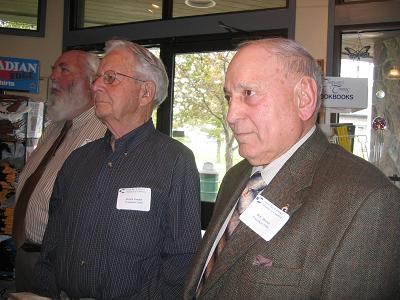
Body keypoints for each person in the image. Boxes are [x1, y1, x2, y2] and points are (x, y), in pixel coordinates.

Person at [184, 38, 400, 299]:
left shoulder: (368, 203)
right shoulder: (235, 177)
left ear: (304, 98)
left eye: (248, 94)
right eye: (229, 97)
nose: (231, 115)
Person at [29, 40, 201, 299]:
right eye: (97, 78)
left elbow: (181, 261)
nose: (95, 85)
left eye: (110, 78)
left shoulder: (176, 161)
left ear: (145, 93)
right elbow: (51, 247)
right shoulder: (77, 160)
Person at [12, 50, 106, 292]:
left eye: (64, 70)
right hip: (26, 253)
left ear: (92, 81)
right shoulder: (55, 127)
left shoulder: (103, 132)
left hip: (60, 264)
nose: (53, 76)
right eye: (54, 69)